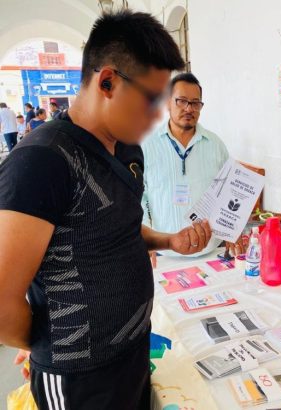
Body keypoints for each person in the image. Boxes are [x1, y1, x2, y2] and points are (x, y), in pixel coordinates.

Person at [0, 10, 210, 410]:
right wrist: (46, 341)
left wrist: (169, 241)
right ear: (108, 81)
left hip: (133, 355)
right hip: (80, 380)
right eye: (152, 100)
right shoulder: (42, 161)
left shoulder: (128, 151)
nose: (158, 114)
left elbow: (118, 228)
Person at [142, 72, 240, 261]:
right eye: (182, 101)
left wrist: (232, 230)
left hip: (211, 251)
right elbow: (139, 196)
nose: (189, 108)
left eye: (195, 103)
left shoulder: (215, 145)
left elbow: (229, 191)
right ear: (167, 103)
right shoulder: (147, 146)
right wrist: (146, 240)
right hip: (164, 254)